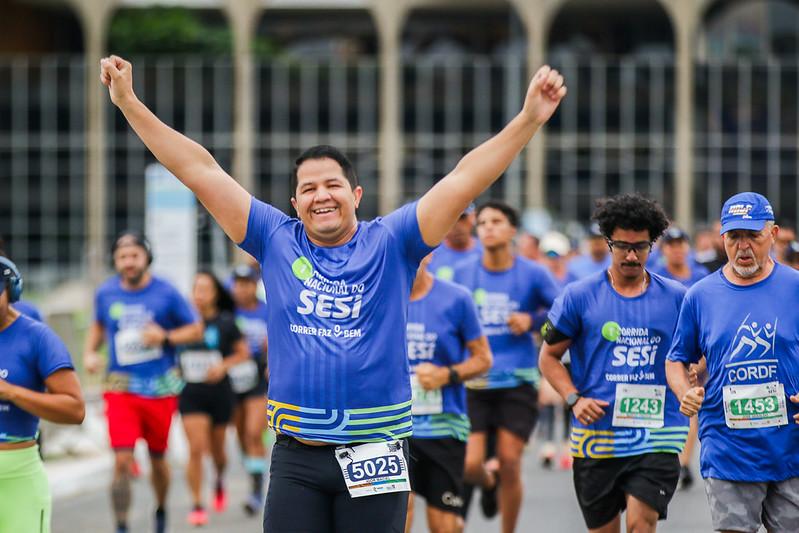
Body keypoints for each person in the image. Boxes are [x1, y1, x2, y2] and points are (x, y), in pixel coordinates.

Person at [99, 54, 566, 533]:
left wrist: (529, 118)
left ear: (356, 195)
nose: (321, 195)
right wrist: (129, 102)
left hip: (376, 450)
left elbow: (464, 179)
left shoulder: (394, 241)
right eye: (308, 188)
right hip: (297, 456)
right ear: (295, 202)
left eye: (332, 185)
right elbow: (199, 169)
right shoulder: (273, 237)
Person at [539, 193, 689, 533]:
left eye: (640, 247)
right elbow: (548, 358)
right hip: (598, 438)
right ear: (609, 243)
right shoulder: (579, 296)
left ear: (652, 246)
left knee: (640, 523)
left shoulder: (677, 297)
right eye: (623, 246)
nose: (632, 255)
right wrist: (574, 399)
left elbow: (697, 352)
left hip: (658, 433)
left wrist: (692, 371)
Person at [666, 192, 799, 533]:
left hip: (791, 447)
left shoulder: (795, 287)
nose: (743, 247)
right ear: (721, 238)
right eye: (734, 237)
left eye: (752, 236)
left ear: (773, 234)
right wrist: (684, 393)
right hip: (728, 448)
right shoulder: (700, 295)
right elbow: (676, 359)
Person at [83, 231, 203, 533]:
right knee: (122, 459)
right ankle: (122, 525)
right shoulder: (106, 292)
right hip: (121, 388)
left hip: (160, 389)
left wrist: (165, 337)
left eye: (134, 256)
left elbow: (195, 329)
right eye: (122, 257)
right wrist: (90, 353)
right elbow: (98, 325)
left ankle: (160, 509)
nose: (128, 263)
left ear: (147, 258)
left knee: (158, 459)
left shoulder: (166, 292)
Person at [454, 201, 560, 533]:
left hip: (517, 380)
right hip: (474, 383)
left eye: (496, 221)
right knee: (470, 465)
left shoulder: (533, 273)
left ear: (512, 230)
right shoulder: (463, 274)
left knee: (511, 461)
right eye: (483, 222)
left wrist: (533, 320)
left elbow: (561, 313)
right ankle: (489, 483)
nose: (488, 227)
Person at [404, 253, 492, 533]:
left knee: (444, 525)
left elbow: (483, 359)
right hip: (392, 428)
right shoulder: (378, 297)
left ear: (428, 253)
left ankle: (490, 482)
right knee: (398, 514)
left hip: (443, 427)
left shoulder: (456, 298)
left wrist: (446, 375)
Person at [0, 255, 85, 532]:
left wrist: (12, 393)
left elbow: (75, 409)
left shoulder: (37, 338)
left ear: (11, 291)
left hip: (18, 477)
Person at [179, 270, 250, 526]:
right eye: (196, 289)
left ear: (215, 294)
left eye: (205, 289)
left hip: (220, 393)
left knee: (218, 451)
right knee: (196, 449)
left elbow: (243, 353)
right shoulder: (182, 320)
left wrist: (223, 366)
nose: (199, 294)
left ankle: (219, 479)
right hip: (191, 393)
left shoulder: (226, 322)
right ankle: (197, 504)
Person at [230, 264, 270, 515]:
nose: (242, 289)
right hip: (233, 378)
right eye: (238, 284)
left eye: (247, 283)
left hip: (258, 376)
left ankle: (256, 489)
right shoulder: (228, 311)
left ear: (255, 285)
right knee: (241, 435)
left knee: (254, 432)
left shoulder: (267, 310)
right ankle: (253, 471)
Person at [536, 231, 575, 470]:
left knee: (569, 392)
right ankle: (548, 443)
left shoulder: (573, 280)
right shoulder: (537, 279)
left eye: (556, 255)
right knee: (547, 396)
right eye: (548, 255)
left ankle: (568, 443)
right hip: (544, 343)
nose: (552, 260)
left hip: (570, 344)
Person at [427, 205, 482, 281]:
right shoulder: (429, 257)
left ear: (473, 217)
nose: (457, 226)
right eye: (451, 220)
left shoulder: (488, 251)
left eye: (462, 218)